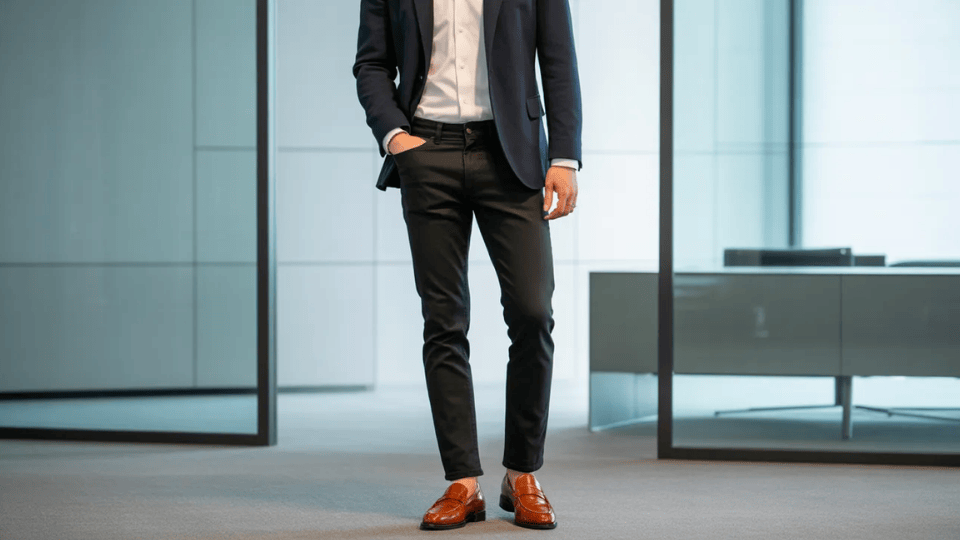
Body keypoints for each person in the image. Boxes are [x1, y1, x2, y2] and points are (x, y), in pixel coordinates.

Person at [353, 0, 581, 531]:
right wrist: (396, 138)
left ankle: (522, 474)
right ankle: (462, 482)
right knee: (445, 321)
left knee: (531, 313)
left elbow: (559, 60)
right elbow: (370, 64)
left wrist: (565, 157)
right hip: (425, 150)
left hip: (513, 154)